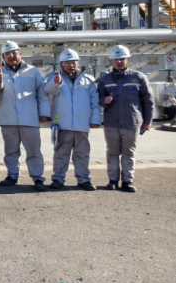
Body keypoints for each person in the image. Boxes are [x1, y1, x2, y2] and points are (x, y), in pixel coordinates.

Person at [0, 40, 50, 191]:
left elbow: (42, 93)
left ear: (20, 54)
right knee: (11, 151)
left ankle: (38, 178)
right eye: (7, 54)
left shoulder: (33, 71)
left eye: (14, 53)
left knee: (34, 151)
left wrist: (44, 113)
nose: (11, 56)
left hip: (29, 118)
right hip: (8, 119)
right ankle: (12, 176)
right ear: (3, 57)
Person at [97, 45, 153, 192]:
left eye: (122, 59)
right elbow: (98, 97)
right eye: (115, 59)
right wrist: (104, 101)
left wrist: (147, 121)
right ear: (111, 61)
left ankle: (127, 181)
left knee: (129, 153)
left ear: (128, 60)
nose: (119, 62)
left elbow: (148, 101)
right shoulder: (105, 79)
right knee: (112, 153)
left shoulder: (139, 77)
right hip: (111, 123)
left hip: (131, 122)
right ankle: (113, 180)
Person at [43, 49, 100, 191]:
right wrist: (55, 83)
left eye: (73, 62)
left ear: (78, 63)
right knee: (61, 154)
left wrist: (95, 119)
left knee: (82, 154)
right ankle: (58, 179)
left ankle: (83, 179)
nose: (70, 65)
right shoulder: (53, 77)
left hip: (82, 124)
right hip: (63, 124)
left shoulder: (88, 80)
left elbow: (95, 102)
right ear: (61, 64)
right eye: (67, 63)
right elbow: (49, 91)